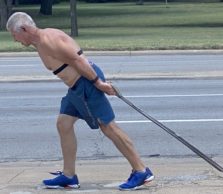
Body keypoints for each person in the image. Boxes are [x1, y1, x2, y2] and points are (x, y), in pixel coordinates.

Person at [6, 12, 154, 191]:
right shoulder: (39, 42)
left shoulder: (48, 40)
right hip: (76, 89)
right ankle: (69, 176)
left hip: (86, 83)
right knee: (64, 123)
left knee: (108, 127)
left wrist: (98, 83)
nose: (15, 40)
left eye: (15, 35)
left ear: (24, 29)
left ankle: (141, 171)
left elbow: (78, 60)